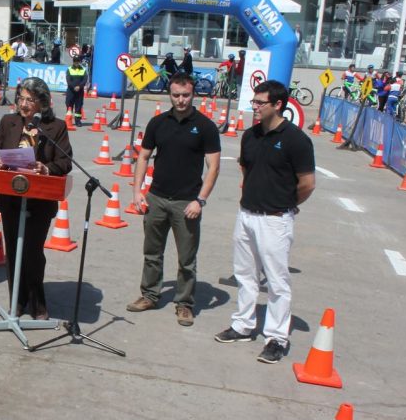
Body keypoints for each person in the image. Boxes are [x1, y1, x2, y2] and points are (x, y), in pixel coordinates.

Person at [214, 80, 316, 364]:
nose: (255, 107)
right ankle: (243, 325)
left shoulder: (296, 140)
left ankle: (276, 338)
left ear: (278, 105)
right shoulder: (250, 135)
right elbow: (246, 169)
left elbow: (307, 183)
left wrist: (286, 203)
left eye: (260, 103)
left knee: (276, 280)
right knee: (245, 275)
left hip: (275, 219)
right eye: (254, 102)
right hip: (246, 215)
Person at [126, 73, 221, 326]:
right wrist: (137, 191)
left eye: (186, 95)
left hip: (186, 203)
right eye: (176, 95)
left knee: (187, 259)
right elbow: (143, 157)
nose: (181, 100)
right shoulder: (158, 123)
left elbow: (213, 167)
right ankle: (150, 295)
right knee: (152, 253)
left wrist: (200, 201)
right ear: (169, 94)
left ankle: (184, 304)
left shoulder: (205, 126)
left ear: (193, 94)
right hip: (156, 198)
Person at [0, 77, 72, 319]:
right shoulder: (8, 122)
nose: (23, 104)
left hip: (39, 201)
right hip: (11, 198)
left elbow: (65, 161)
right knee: (13, 252)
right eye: (21, 98)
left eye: (30, 100)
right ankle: (17, 302)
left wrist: (47, 168)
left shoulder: (55, 127)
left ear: (42, 102)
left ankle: (37, 304)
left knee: (33, 253)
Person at [65, 57, 88, 126]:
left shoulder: (83, 70)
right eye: (75, 61)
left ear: (79, 62)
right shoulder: (69, 69)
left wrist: (79, 86)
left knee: (79, 106)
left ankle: (78, 121)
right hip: (71, 90)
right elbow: (68, 80)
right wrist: (74, 87)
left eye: (78, 61)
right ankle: (69, 120)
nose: (76, 63)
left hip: (80, 91)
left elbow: (85, 80)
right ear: (73, 62)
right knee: (69, 105)